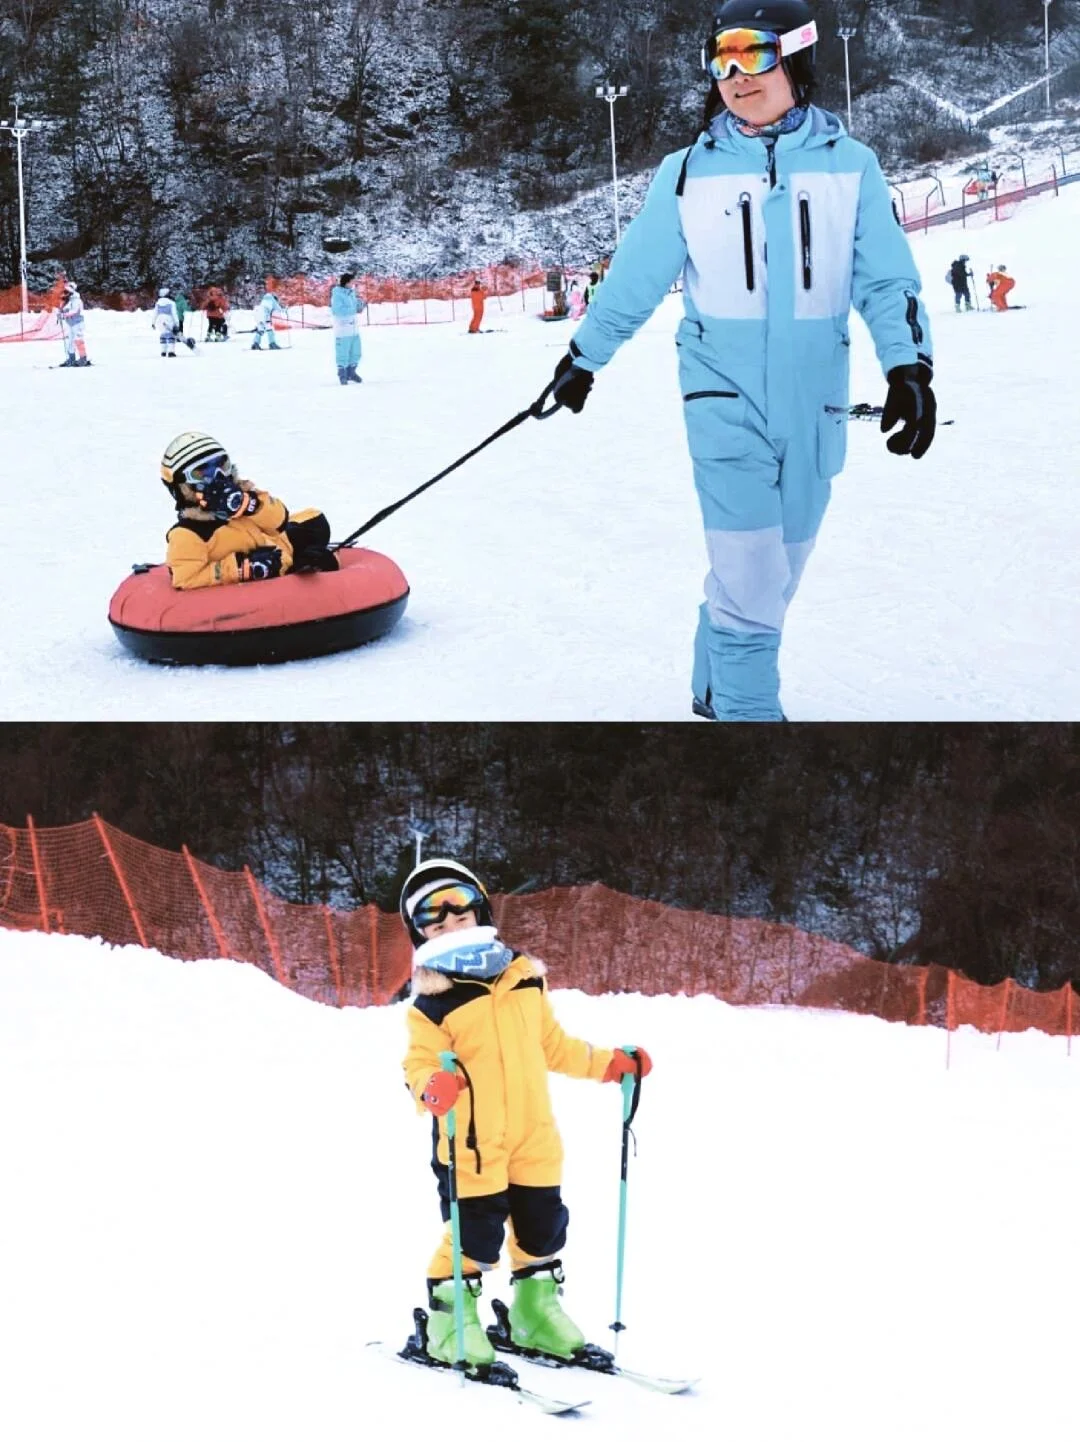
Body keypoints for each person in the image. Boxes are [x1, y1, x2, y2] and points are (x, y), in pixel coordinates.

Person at [546, 0, 936, 722]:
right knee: (752, 575)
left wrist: (909, 367)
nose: (735, 75)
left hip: (815, 406)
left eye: (753, 54)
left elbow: (886, 279)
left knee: (773, 572)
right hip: (722, 401)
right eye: (720, 59)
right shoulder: (687, 174)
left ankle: (712, 686)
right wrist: (584, 358)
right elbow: (634, 280)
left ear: (796, 59)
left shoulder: (852, 167)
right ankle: (747, 717)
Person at [399, 857, 652, 1370]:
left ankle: (533, 1314)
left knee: (543, 1228)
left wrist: (608, 1064)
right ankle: (449, 1324)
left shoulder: (523, 979)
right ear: (420, 934)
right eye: (437, 924)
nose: (452, 927)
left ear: (481, 912)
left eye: (460, 915)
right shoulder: (432, 1002)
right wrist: (433, 1088)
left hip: (533, 1137)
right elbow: (418, 1065)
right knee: (475, 1236)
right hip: (472, 1145)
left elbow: (553, 1046)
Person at [159, 430, 338, 590]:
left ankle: (300, 562)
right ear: (182, 488)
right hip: (263, 570)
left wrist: (253, 506)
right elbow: (186, 578)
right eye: (201, 473)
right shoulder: (188, 534)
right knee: (322, 561)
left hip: (277, 544)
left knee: (316, 522)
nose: (218, 477)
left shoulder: (243, 497)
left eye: (222, 466)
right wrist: (241, 568)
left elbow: (279, 522)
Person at [329, 272, 365, 383]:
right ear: (346, 282)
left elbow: (354, 305)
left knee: (356, 352)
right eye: (352, 282)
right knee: (343, 353)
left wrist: (360, 305)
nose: (354, 284)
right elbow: (337, 310)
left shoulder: (351, 293)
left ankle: (351, 372)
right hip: (343, 329)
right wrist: (354, 309)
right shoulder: (337, 294)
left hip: (354, 329)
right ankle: (342, 374)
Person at [57, 281, 90, 367]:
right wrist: (60, 312)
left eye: (66, 291)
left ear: (71, 291)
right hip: (71, 324)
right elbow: (63, 309)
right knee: (70, 342)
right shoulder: (67, 300)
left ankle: (83, 359)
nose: (65, 293)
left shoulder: (76, 300)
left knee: (78, 340)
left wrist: (64, 315)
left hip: (78, 323)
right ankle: (71, 359)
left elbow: (74, 311)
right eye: (64, 291)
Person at [153, 287, 180, 358]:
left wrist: (153, 323)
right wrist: (177, 323)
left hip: (160, 320)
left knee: (163, 335)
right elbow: (174, 314)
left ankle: (163, 351)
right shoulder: (172, 303)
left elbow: (155, 313)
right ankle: (171, 352)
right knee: (171, 335)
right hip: (169, 319)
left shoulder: (157, 303)